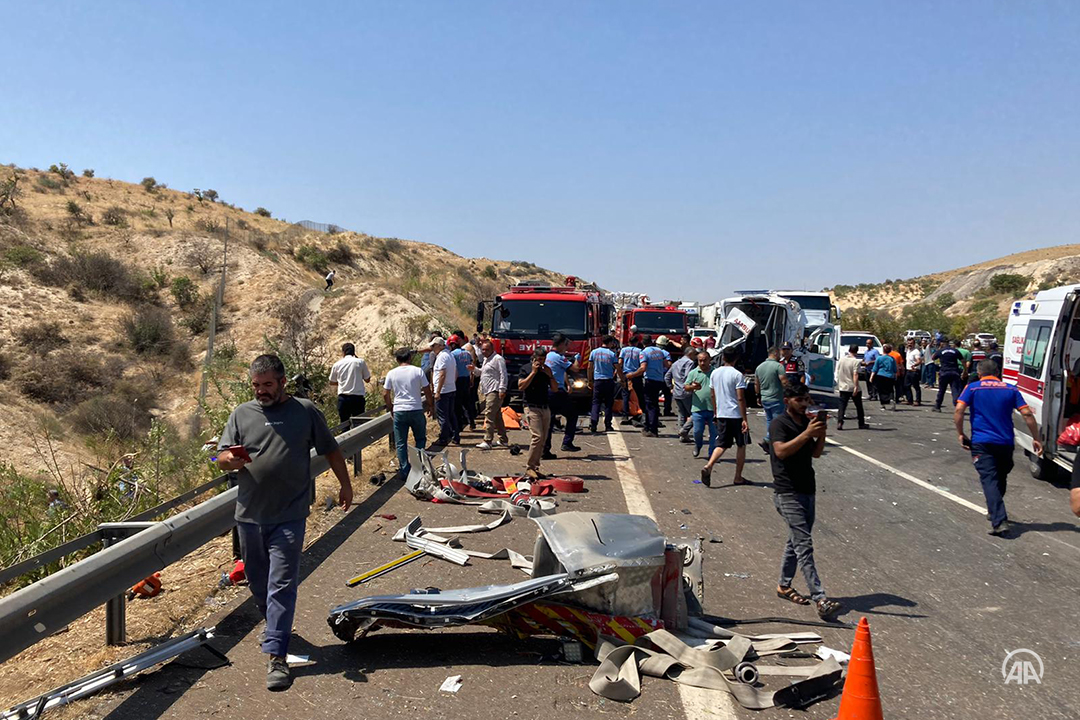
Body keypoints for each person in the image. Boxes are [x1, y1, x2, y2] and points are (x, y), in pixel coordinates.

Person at [217, 354, 352, 691]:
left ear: (282, 382)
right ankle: (275, 625)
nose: (261, 391)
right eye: (256, 386)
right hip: (249, 516)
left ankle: (277, 656)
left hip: (290, 515)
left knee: (281, 583)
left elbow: (331, 450)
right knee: (259, 583)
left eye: (267, 385)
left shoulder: (304, 411)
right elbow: (221, 458)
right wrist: (229, 461)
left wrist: (345, 484)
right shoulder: (241, 414)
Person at [769, 383, 841, 619]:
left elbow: (816, 453)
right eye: (800, 399)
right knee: (804, 545)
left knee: (795, 541)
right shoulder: (780, 423)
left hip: (807, 489)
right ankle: (820, 598)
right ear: (788, 400)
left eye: (807, 399)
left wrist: (820, 433)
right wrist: (806, 434)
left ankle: (783, 584)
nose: (805, 403)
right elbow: (780, 451)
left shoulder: (805, 423)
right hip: (787, 492)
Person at [955, 359, 1043, 536]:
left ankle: (999, 521)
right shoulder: (1010, 389)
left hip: (982, 441)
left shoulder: (972, 388)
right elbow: (1026, 413)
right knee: (1000, 475)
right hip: (1005, 442)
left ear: (979, 373)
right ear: (998, 373)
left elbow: (959, 410)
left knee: (990, 479)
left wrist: (961, 433)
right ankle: (995, 511)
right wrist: (1036, 438)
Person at [700, 347, 749, 486]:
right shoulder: (737, 375)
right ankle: (738, 477)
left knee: (722, 444)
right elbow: (740, 398)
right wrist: (744, 419)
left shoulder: (715, 373)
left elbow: (712, 394)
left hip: (722, 414)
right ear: (736, 358)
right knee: (741, 444)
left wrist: (716, 413)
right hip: (736, 415)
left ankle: (708, 466)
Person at [383, 347, 433, 478]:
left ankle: (405, 471)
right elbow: (427, 390)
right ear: (409, 358)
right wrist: (431, 406)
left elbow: (385, 393)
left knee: (401, 443)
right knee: (420, 439)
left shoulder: (391, 373)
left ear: (397, 359)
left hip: (400, 410)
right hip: (416, 409)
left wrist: (391, 407)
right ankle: (419, 468)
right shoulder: (418, 371)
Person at [519, 347, 558, 479]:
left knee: (544, 438)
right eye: (539, 360)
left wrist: (550, 375)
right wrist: (533, 373)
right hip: (531, 406)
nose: (541, 362)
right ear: (534, 358)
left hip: (544, 407)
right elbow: (521, 386)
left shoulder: (546, 370)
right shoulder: (526, 368)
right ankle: (529, 467)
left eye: (543, 360)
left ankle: (535, 466)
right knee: (537, 436)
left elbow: (555, 388)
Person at [545, 333, 581, 454]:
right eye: (565, 345)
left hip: (549, 390)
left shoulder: (549, 355)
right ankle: (567, 442)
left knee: (549, 421)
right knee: (572, 415)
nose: (566, 347)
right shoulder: (559, 358)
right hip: (557, 392)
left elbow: (562, 371)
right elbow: (575, 369)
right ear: (560, 344)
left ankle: (545, 450)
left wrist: (568, 384)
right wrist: (577, 359)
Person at [628, 335, 671, 437]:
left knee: (649, 405)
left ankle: (652, 429)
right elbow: (667, 365)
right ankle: (650, 426)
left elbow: (643, 368)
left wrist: (632, 375)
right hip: (659, 380)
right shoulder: (660, 352)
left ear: (642, 343)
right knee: (654, 405)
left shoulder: (644, 352)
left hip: (650, 381)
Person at [684, 349, 717, 459]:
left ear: (709, 360)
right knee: (697, 432)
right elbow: (686, 386)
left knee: (714, 434)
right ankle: (698, 445)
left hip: (714, 409)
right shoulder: (694, 373)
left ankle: (711, 454)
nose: (702, 363)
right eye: (700, 361)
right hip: (698, 408)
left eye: (705, 360)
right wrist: (693, 387)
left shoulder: (715, 372)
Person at [328, 343, 372, 424]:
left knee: (344, 425)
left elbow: (332, 381)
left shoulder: (337, 364)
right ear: (354, 351)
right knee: (359, 425)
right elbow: (367, 379)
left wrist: (342, 382)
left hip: (343, 398)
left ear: (343, 352)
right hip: (357, 398)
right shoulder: (360, 362)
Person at [476, 340, 509, 450]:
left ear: (492, 349)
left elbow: (503, 374)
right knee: (497, 416)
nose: (484, 351)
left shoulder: (498, 359)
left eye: (486, 349)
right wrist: (474, 370)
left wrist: (502, 389)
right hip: (487, 390)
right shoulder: (486, 359)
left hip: (494, 390)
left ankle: (487, 440)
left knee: (489, 414)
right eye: (483, 349)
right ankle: (503, 439)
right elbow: (483, 372)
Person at [754, 346, 787, 453]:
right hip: (776, 398)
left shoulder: (759, 367)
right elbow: (784, 382)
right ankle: (770, 441)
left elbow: (756, 384)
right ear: (776, 354)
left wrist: (758, 396)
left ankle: (769, 440)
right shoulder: (779, 366)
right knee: (777, 422)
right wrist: (790, 392)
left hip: (765, 398)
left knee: (769, 420)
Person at [428, 336, 460, 447]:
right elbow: (455, 373)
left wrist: (438, 391)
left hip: (444, 391)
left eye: (433, 346)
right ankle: (455, 436)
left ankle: (444, 438)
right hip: (451, 388)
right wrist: (452, 383)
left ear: (439, 346)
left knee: (443, 416)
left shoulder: (441, 357)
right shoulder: (450, 355)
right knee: (451, 414)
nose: (432, 348)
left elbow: (441, 374)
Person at [588, 335, 619, 434]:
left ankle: (593, 424)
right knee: (608, 404)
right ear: (610, 343)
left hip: (598, 381)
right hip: (608, 381)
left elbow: (589, 367)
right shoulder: (612, 354)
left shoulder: (594, 352)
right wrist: (622, 380)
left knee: (596, 402)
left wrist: (590, 380)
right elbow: (618, 368)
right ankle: (608, 425)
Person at [667, 346, 698, 443]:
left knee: (681, 414)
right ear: (690, 354)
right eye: (694, 354)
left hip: (676, 392)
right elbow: (689, 376)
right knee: (696, 413)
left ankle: (683, 436)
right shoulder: (690, 363)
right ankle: (684, 431)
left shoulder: (676, 363)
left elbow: (667, 376)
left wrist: (671, 387)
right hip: (686, 392)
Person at [836, 344, 867, 430]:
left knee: (842, 405)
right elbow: (855, 374)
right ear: (856, 351)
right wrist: (856, 386)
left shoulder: (841, 360)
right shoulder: (856, 361)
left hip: (843, 386)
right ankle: (861, 423)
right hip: (852, 386)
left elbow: (838, 371)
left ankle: (840, 422)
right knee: (859, 406)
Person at [448, 335, 476, 432]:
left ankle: (459, 426)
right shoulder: (467, 353)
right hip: (466, 379)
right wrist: (471, 378)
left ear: (451, 345)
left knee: (457, 405)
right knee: (467, 402)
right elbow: (472, 365)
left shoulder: (452, 355)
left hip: (458, 380)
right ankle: (472, 422)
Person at [933, 339, 965, 412]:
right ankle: (957, 404)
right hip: (954, 372)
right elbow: (963, 361)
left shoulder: (941, 351)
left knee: (941, 390)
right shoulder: (955, 351)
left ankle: (937, 406)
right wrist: (965, 370)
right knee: (955, 389)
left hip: (944, 372)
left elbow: (933, 358)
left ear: (942, 343)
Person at [618, 336, 644, 426]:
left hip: (626, 375)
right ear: (637, 342)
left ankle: (625, 416)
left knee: (625, 396)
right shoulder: (640, 351)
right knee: (639, 395)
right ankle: (639, 413)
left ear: (629, 342)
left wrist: (619, 374)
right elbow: (642, 364)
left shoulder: (624, 350)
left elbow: (620, 363)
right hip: (636, 375)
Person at [870, 343, 898, 411]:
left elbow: (875, 368)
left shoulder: (879, 358)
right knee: (890, 389)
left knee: (881, 390)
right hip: (890, 376)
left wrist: (871, 377)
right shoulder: (892, 359)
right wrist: (895, 376)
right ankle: (891, 399)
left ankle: (883, 405)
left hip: (881, 375)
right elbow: (895, 369)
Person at [903, 338, 923, 406]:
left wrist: (915, 365)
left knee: (916, 386)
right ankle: (909, 400)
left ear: (914, 344)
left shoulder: (916, 351)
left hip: (914, 371)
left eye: (911, 343)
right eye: (908, 343)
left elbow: (919, 360)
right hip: (908, 371)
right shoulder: (908, 351)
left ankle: (918, 401)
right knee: (906, 386)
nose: (909, 344)